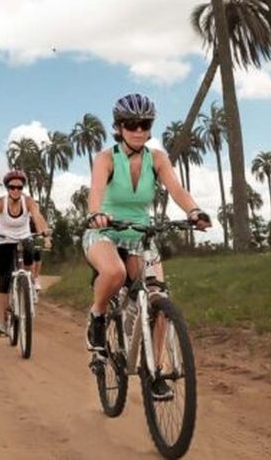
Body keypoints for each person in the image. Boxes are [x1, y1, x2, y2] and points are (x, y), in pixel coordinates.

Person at [84, 93, 210, 399]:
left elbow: (177, 188)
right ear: (118, 127)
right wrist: (96, 213)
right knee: (114, 273)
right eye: (131, 124)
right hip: (105, 231)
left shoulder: (157, 159)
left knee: (158, 298)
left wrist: (193, 211)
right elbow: (97, 190)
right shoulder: (105, 158)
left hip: (140, 235)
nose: (138, 129)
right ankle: (98, 317)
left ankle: (154, 371)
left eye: (145, 124)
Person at [0, 169, 51, 338]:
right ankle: (4, 323)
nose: (16, 190)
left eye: (19, 187)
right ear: (7, 188)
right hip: (4, 240)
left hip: (24, 237)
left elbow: (37, 217)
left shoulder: (28, 201)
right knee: (4, 280)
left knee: (30, 251)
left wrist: (44, 233)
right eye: (12, 187)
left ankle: (28, 284)